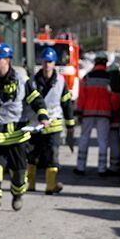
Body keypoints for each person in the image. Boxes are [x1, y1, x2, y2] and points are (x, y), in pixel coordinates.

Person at [0, 43, 49, 212]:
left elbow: (36, 99)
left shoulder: (21, 80)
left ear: (7, 60)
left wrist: (43, 116)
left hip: (17, 137)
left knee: (19, 174)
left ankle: (17, 194)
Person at [26, 47, 75, 195]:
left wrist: (70, 126)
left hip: (54, 125)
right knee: (32, 156)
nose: (47, 65)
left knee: (52, 157)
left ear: (54, 63)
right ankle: (31, 185)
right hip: (35, 124)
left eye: (50, 62)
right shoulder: (33, 80)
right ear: (42, 62)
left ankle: (50, 186)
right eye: (45, 61)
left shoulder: (61, 81)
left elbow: (67, 104)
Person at [75, 52, 115, 176]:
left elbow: (81, 97)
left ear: (95, 62)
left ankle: (80, 167)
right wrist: (113, 110)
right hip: (105, 114)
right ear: (105, 62)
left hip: (88, 113)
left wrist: (79, 111)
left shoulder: (87, 77)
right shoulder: (110, 78)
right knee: (103, 141)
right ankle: (102, 169)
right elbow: (113, 97)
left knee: (84, 139)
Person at [106, 60, 120, 175]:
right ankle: (119, 166)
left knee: (114, 144)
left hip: (114, 119)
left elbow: (114, 105)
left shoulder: (113, 89)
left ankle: (114, 167)